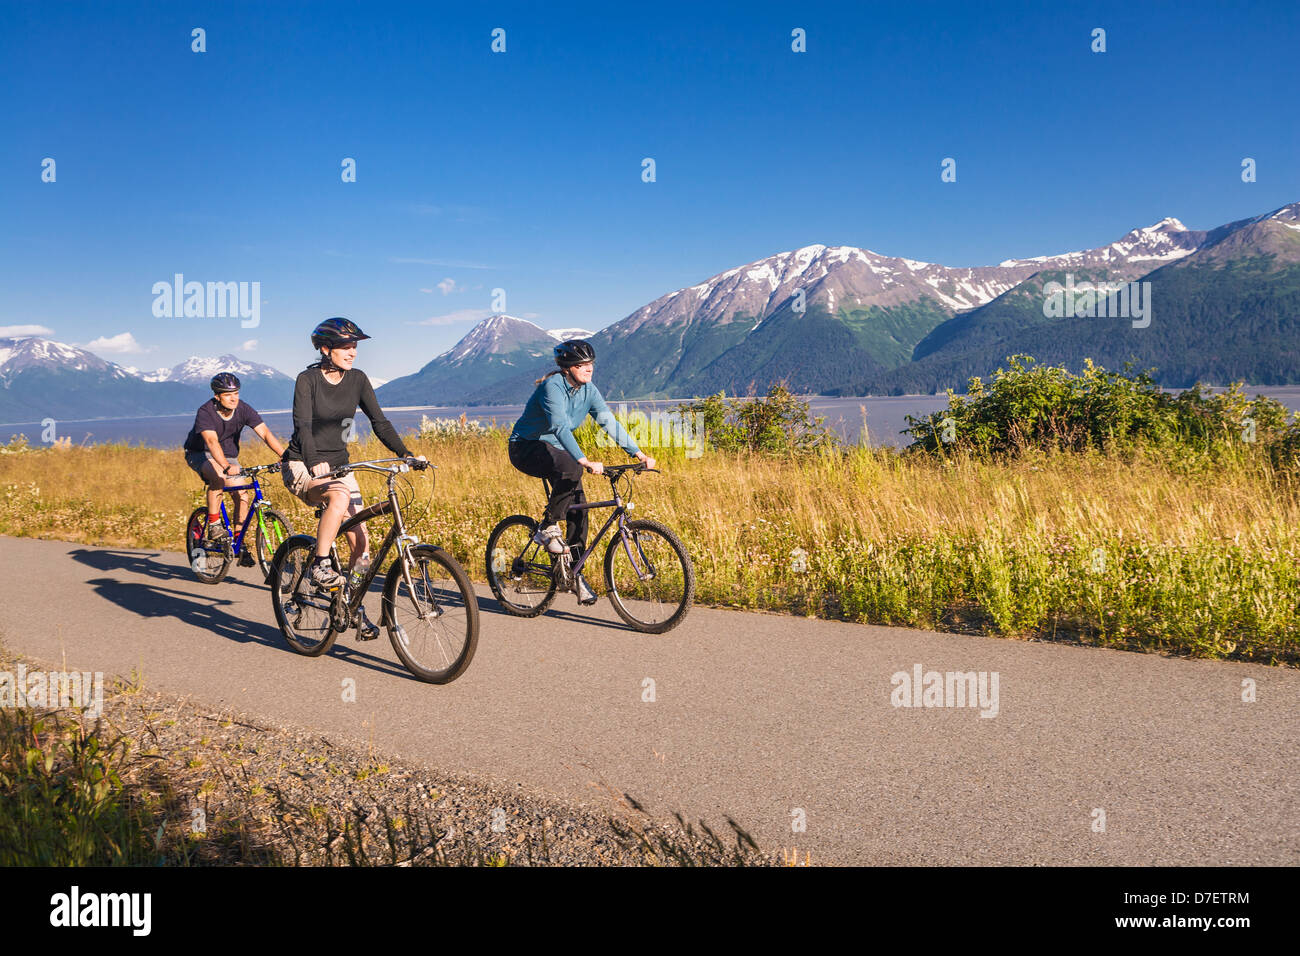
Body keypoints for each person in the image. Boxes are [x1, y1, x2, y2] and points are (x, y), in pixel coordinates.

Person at [280, 317, 425, 638]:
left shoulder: (358, 380)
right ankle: (320, 563)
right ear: (325, 348)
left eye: (355, 346)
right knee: (339, 496)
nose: (353, 352)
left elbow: (380, 422)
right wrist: (315, 461)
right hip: (301, 465)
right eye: (346, 346)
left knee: (362, 544)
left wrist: (406, 454)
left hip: (339, 466)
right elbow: (303, 426)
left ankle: (350, 604)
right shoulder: (307, 380)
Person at [509, 339, 656, 605]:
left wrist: (638, 454)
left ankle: (575, 575)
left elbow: (608, 422)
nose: (588, 369)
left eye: (590, 364)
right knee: (572, 467)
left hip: (556, 452)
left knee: (579, 507)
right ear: (567, 368)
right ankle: (549, 527)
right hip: (526, 447)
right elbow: (560, 428)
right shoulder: (552, 387)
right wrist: (584, 460)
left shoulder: (588, 390)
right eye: (581, 364)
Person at [183, 372, 287, 567]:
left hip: (228, 456)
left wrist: (285, 455)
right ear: (217, 396)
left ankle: (237, 541)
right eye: (228, 394)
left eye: (236, 393)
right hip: (200, 453)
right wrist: (225, 466)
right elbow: (211, 441)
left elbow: (264, 433)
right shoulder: (205, 412)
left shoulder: (243, 409)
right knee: (219, 478)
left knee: (243, 493)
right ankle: (213, 525)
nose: (234, 398)